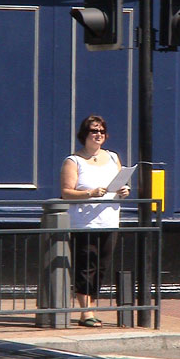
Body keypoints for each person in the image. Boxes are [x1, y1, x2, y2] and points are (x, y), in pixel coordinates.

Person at [60, 115, 130, 327]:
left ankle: (91, 306)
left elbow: (120, 184)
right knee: (85, 265)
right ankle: (85, 312)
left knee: (102, 266)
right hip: (85, 222)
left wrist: (124, 191)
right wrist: (90, 193)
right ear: (85, 135)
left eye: (101, 131)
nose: (98, 135)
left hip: (109, 218)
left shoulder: (112, 158)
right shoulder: (74, 161)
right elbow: (66, 193)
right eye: (94, 131)